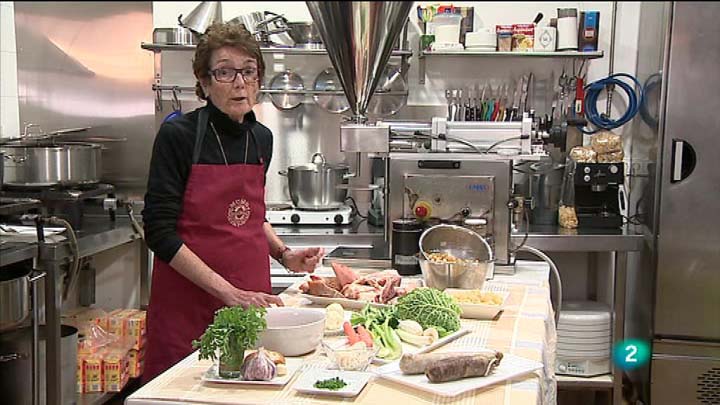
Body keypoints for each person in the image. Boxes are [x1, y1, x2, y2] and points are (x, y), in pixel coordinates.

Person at [141, 22, 324, 383]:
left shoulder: (261, 138)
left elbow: (253, 216)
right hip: (188, 306)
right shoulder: (178, 135)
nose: (240, 83)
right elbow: (159, 233)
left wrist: (284, 254)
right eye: (225, 72)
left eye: (248, 71)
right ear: (204, 81)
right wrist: (228, 292)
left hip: (250, 302)